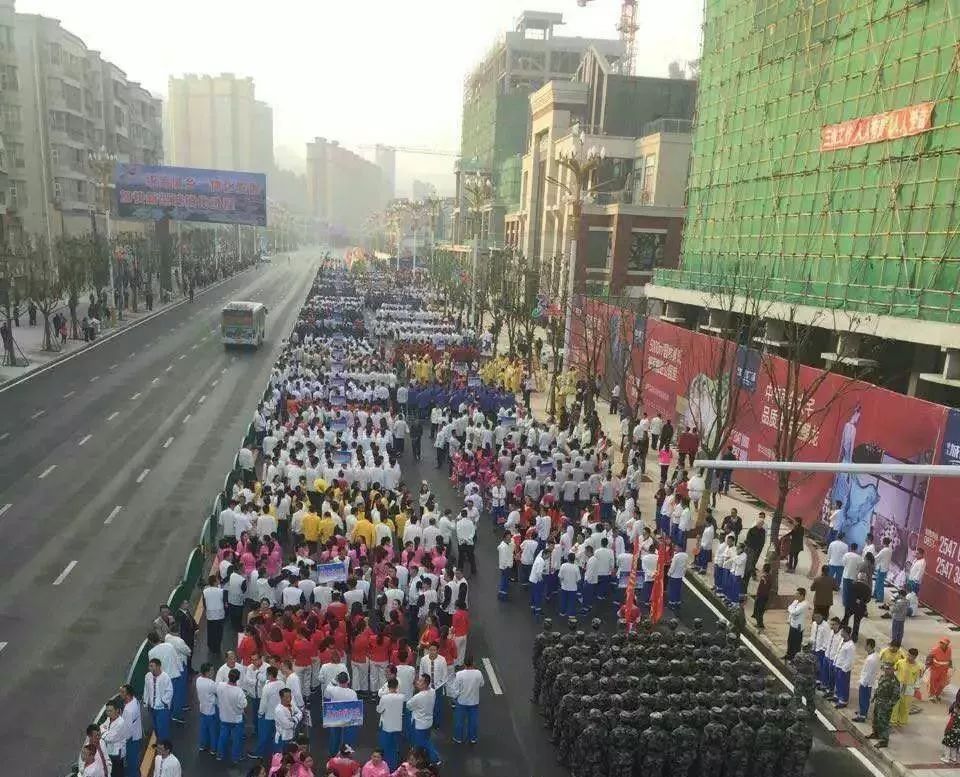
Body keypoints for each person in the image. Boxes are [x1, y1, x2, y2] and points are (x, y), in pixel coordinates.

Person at [407, 674, 441, 764]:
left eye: (420, 681)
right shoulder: (432, 692)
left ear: (425, 684)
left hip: (419, 724)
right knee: (427, 740)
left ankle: (435, 759)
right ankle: (425, 757)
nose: (417, 682)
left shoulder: (418, 697)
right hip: (428, 722)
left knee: (423, 743)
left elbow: (409, 706)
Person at [216, 666, 247, 764]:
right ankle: (235, 758)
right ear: (238, 679)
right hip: (236, 720)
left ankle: (219, 755)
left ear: (228, 676)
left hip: (224, 717)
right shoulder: (239, 691)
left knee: (223, 737)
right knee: (236, 740)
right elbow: (243, 704)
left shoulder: (220, 686)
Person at [451, 655, 485, 744]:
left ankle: (458, 738)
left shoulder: (459, 674)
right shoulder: (478, 673)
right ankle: (472, 738)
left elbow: (455, 689)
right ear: (473, 663)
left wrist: (455, 697)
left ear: (464, 664)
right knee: (473, 721)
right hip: (474, 702)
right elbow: (482, 684)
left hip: (462, 701)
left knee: (459, 721)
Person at [376, 678, 405, 769]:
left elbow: (379, 710)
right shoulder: (402, 697)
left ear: (388, 686)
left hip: (386, 726)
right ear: (397, 686)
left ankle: (384, 766)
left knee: (385, 747)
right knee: (394, 747)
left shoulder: (385, 698)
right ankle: (393, 767)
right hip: (397, 726)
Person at [868, 662, 899, 748]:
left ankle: (884, 740)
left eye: (888, 669)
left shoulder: (894, 681)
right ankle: (876, 733)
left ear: (893, 670)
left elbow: (896, 696)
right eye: (885, 668)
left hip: (885, 704)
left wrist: (889, 705)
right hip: (878, 702)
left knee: (884, 722)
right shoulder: (883, 677)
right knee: (876, 719)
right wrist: (874, 697)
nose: (886, 670)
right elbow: (879, 688)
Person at [891, 648, 923, 727]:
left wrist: (916, 688)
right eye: (908, 655)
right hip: (899, 685)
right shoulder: (900, 662)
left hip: (909, 687)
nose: (909, 657)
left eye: (911, 656)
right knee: (895, 704)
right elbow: (894, 671)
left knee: (905, 705)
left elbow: (918, 678)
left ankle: (902, 721)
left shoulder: (918, 667)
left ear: (915, 657)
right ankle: (893, 720)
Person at [143, 658, 173, 742]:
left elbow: (169, 691)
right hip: (152, 708)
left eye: (152, 666)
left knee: (162, 728)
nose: (150, 668)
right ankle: (159, 742)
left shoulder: (165, 677)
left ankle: (164, 745)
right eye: (149, 666)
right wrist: (146, 701)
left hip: (162, 709)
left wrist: (163, 701)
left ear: (158, 666)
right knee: (155, 727)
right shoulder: (148, 676)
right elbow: (146, 689)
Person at [99, 700, 130, 777]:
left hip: (116, 754)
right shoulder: (109, 718)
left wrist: (103, 733)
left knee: (117, 773)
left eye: (110, 711)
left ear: (117, 710)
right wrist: (105, 732)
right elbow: (101, 727)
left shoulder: (120, 723)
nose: (108, 713)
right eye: (107, 711)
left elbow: (110, 738)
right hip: (109, 751)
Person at [853, 639, 879, 723]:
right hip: (868, 681)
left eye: (865, 645)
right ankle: (862, 711)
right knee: (865, 698)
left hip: (866, 682)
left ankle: (862, 715)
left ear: (869, 646)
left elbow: (868, 673)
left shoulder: (871, 659)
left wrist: (863, 683)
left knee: (863, 698)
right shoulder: (874, 656)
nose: (864, 646)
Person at [118, 684, 142, 775]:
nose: (120, 694)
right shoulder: (135, 701)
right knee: (135, 762)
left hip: (131, 740)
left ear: (128, 695)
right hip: (137, 735)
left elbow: (127, 732)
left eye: (122, 692)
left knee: (131, 763)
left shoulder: (128, 711)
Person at [196, 663, 219, 754]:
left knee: (203, 729)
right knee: (213, 731)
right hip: (211, 710)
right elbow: (218, 692)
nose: (213, 672)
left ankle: (202, 745)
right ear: (207, 672)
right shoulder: (211, 683)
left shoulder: (198, 680)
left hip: (202, 709)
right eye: (212, 670)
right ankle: (213, 749)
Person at [786, 587, 809, 660]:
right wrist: (791, 609)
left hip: (798, 626)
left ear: (802, 595)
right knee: (790, 641)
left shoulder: (804, 604)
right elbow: (789, 608)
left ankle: (795, 658)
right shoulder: (796, 601)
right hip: (792, 624)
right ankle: (789, 654)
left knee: (796, 643)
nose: (795, 595)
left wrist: (791, 609)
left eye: (797, 594)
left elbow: (794, 612)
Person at [927, 638, 953, 702]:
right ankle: (931, 695)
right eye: (941, 643)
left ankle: (937, 695)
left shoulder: (949, 650)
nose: (941, 644)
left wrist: (950, 667)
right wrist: (927, 665)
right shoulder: (935, 649)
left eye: (943, 643)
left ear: (947, 644)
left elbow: (949, 659)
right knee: (933, 682)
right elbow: (929, 657)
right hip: (935, 668)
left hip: (944, 669)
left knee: (942, 683)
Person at [753, 562, 772, 630]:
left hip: (761, 596)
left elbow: (762, 588)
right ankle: (759, 623)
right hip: (764, 596)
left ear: (764, 569)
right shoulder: (768, 577)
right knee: (759, 610)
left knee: (759, 610)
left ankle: (760, 625)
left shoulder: (764, 578)